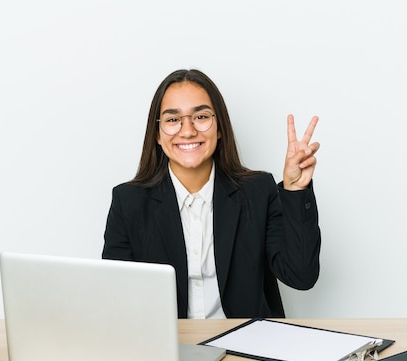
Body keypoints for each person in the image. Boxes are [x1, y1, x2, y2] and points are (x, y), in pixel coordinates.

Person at [102, 69, 321, 319]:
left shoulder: (258, 191)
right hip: (167, 348)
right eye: (173, 120)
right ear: (157, 135)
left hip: (247, 344)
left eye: (201, 116)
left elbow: (301, 277)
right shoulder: (128, 202)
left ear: (219, 128)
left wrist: (295, 190)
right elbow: (117, 299)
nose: (187, 131)